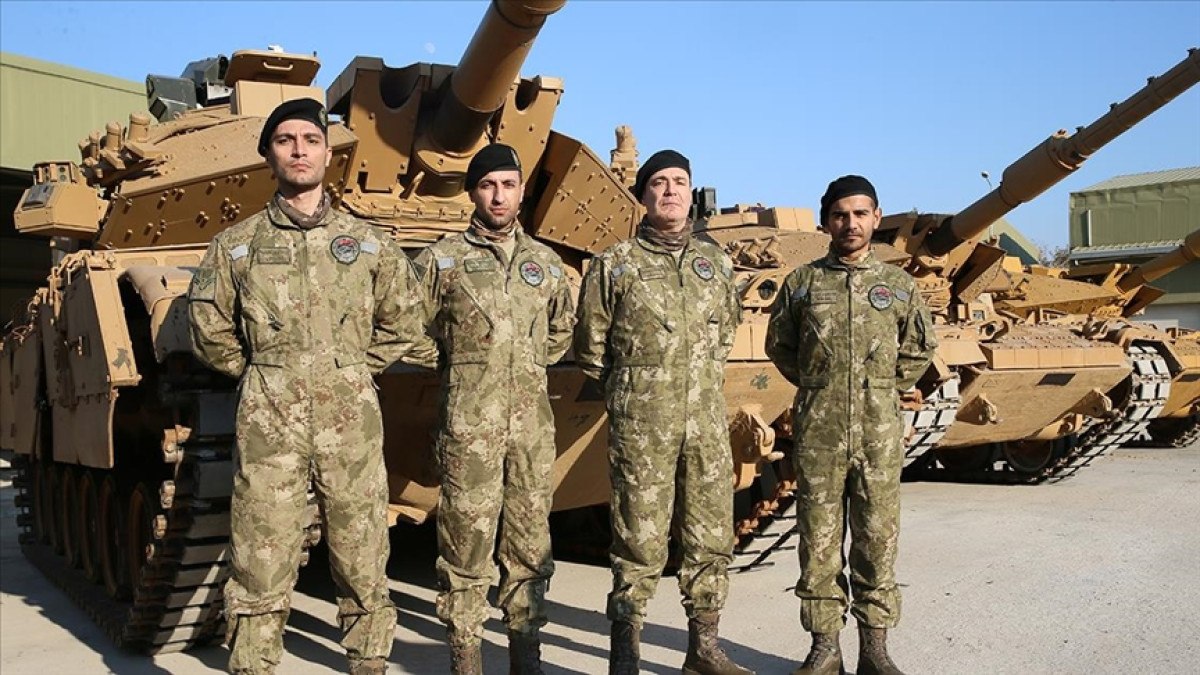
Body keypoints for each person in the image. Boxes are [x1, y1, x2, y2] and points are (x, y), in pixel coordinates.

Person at [189, 98, 429, 675]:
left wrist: (352, 367)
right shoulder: (237, 244)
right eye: (285, 140)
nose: (299, 150)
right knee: (261, 551)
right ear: (268, 154)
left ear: (327, 154)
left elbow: (406, 318)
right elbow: (207, 325)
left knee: (362, 548)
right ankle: (253, 663)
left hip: (350, 418)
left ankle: (369, 661)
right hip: (270, 420)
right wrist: (262, 370)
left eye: (311, 139)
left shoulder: (368, 243)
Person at [574, 150, 753, 675]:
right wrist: (633, 393)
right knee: (638, 539)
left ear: (690, 192)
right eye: (658, 182)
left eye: (679, 181)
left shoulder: (715, 264)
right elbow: (591, 348)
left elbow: (725, 331)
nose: (670, 190)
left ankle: (704, 648)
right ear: (644, 196)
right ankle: (625, 655)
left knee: (711, 536)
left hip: (705, 423)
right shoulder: (616, 264)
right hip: (642, 427)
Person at [765, 175, 936, 675]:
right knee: (818, 541)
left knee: (876, 540)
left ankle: (875, 651)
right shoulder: (803, 284)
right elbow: (781, 346)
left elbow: (920, 347)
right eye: (840, 215)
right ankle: (825, 649)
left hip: (878, 433)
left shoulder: (898, 286)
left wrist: (879, 387)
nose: (851, 223)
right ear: (826, 222)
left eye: (861, 213)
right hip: (819, 433)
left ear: (876, 218)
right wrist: (821, 383)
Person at [414, 143, 575, 675]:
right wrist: (459, 362)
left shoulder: (544, 264)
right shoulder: (442, 260)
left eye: (508, 185)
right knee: (465, 551)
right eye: (487, 185)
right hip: (469, 430)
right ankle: (466, 660)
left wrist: (519, 363)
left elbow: (559, 333)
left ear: (522, 191)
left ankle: (526, 660)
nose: (498, 196)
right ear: (473, 193)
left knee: (529, 548)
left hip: (531, 430)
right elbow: (409, 329)